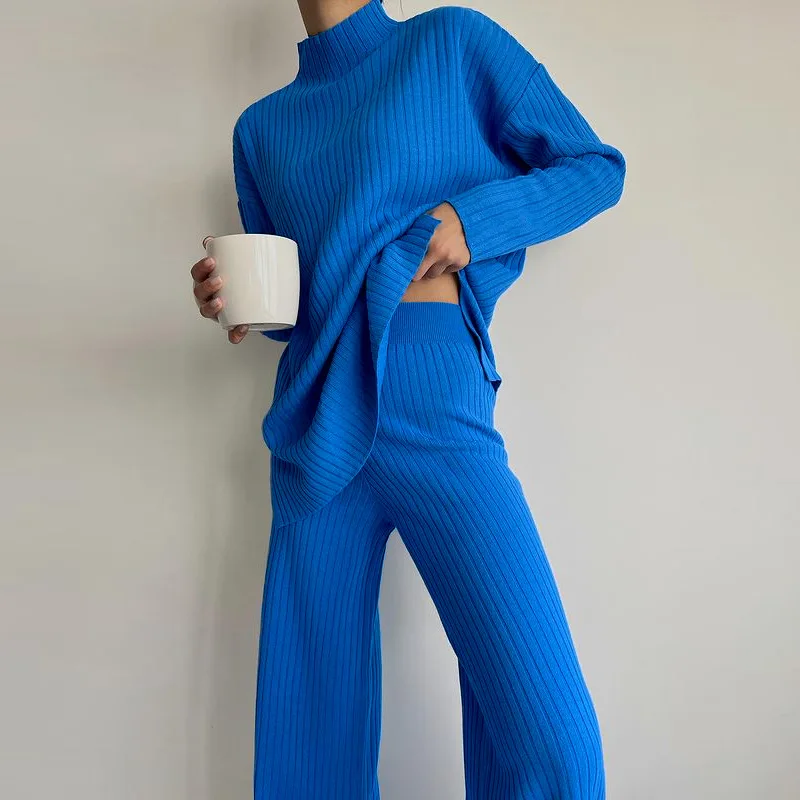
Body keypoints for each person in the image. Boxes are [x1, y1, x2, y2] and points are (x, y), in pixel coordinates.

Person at [191, 1, 626, 797]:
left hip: (433, 394)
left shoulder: (450, 44)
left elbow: (595, 168)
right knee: (308, 736)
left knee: (545, 732)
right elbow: (304, 303)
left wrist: (473, 218)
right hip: (317, 421)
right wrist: (236, 302)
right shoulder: (261, 130)